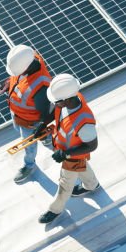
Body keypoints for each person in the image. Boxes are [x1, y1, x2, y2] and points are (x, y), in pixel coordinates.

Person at [38, 74, 100, 224]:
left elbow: (92, 145)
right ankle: (92, 185)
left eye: (57, 102)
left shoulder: (84, 122)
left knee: (65, 185)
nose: (55, 105)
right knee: (82, 167)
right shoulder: (70, 97)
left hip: (72, 155)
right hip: (68, 150)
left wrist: (66, 153)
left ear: (66, 100)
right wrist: (43, 123)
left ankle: (55, 209)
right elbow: (57, 112)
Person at [1, 45, 53, 184]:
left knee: (29, 147)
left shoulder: (40, 87)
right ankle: (47, 138)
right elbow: (18, 78)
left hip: (30, 124)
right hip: (18, 115)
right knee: (18, 130)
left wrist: (40, 129)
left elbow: (47, 114)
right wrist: (8, 83)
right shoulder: (27, 58)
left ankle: (30, 165)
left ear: (26, 67)